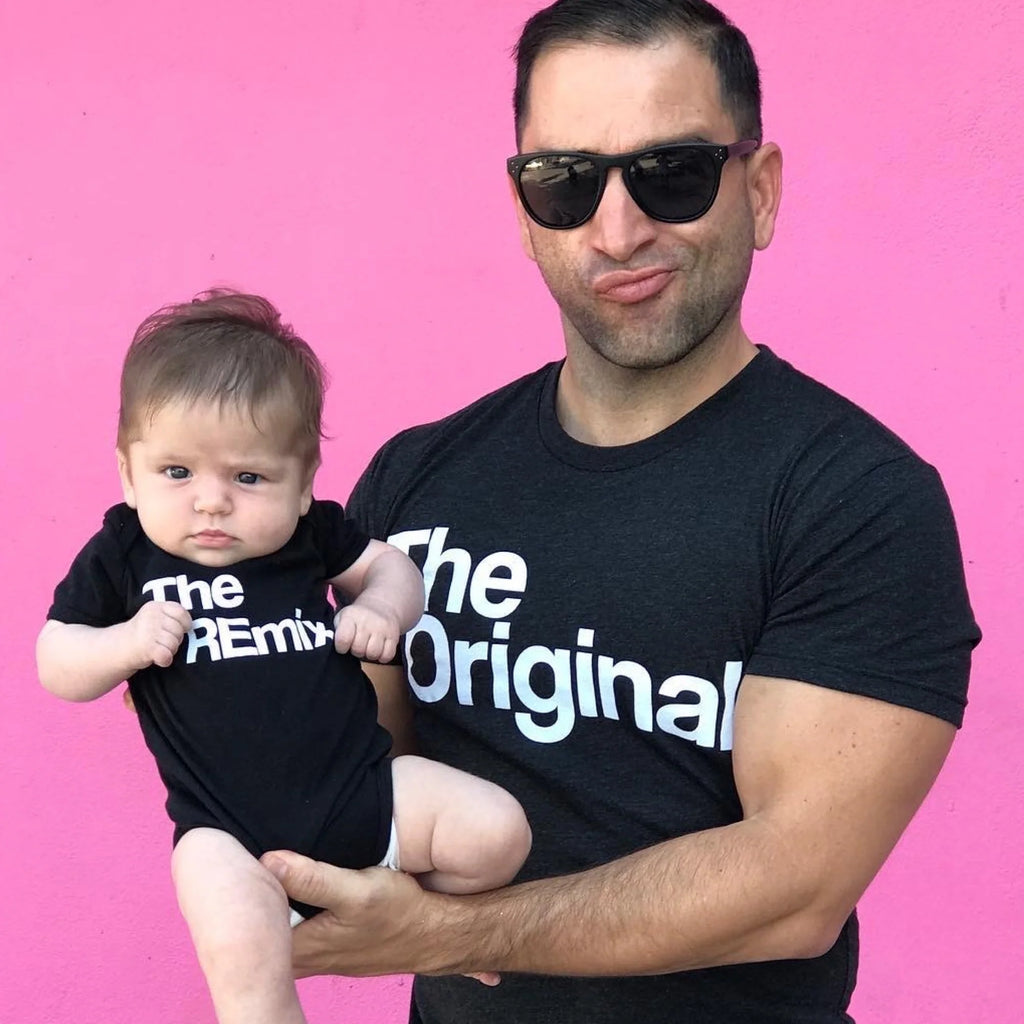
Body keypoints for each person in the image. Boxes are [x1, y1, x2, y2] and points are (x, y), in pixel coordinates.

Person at [260, 2, 981, 1022]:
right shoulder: (418, 477)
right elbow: (348, 767)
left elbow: (796, 886)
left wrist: (454, 934)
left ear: (760, 190)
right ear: (523, 211)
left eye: (671, 173)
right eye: (565, 182)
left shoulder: (856, 500)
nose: (617, 230)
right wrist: (219, 673)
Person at [36, 290, 531, 1024]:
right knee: (239, 952)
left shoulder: (312, 536)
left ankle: (434, 927)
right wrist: (124, 643)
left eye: (248, 477)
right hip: (229, 836)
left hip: (368, 796)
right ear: (128, 474)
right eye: (176, 472)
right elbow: (56, 658)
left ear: (302, 486)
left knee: (498, 830)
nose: (211, 502)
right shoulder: (124, 555)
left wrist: (380, 609)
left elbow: (394, 568)